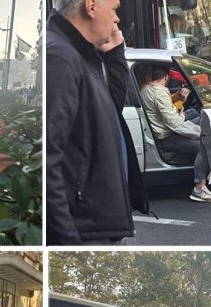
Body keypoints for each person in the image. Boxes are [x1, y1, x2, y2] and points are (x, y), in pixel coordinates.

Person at [46, 0, 149, 245]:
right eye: (114, 9)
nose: (117, 20)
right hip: (85, 231)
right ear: (91, 6)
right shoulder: (61, 57)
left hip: (98, 225)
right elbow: (49, 161)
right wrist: (69, 243)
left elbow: (109, 110)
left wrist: (115, 56)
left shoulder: (81, 54)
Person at [139, 65, 211, 202]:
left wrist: (180, 102)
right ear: (166, 77)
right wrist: (182, 116)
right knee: (204, 144)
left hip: (166, 130)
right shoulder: (159, 92)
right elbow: (173, 122)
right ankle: (199, 187)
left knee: (200, 119)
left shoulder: (146, 89)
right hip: (168, 136)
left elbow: (164, 109)